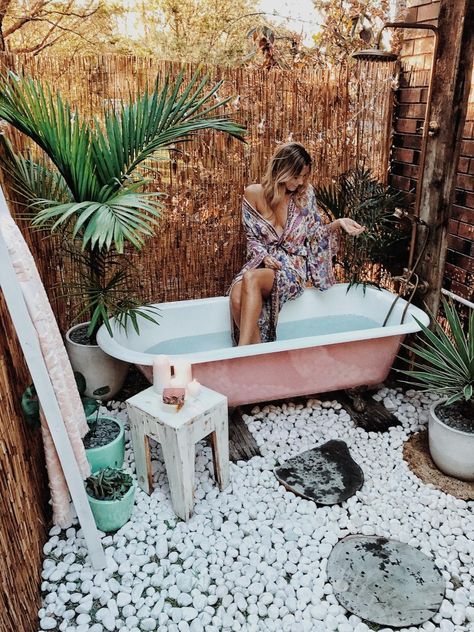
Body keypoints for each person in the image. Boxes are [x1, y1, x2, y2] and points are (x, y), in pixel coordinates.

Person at [229, 142, 365, 346]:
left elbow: (315, 234)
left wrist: (337, 223)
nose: (301, 181)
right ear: (281, 169)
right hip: (263, 263)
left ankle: (241, 353)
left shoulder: (305, 195)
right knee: (236, 296)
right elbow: (252, 239)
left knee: (251, 278)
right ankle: (258, 354)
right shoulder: (253, 194)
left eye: (304, 176)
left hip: (292, 268)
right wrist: (265, 257)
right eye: (296, 176)